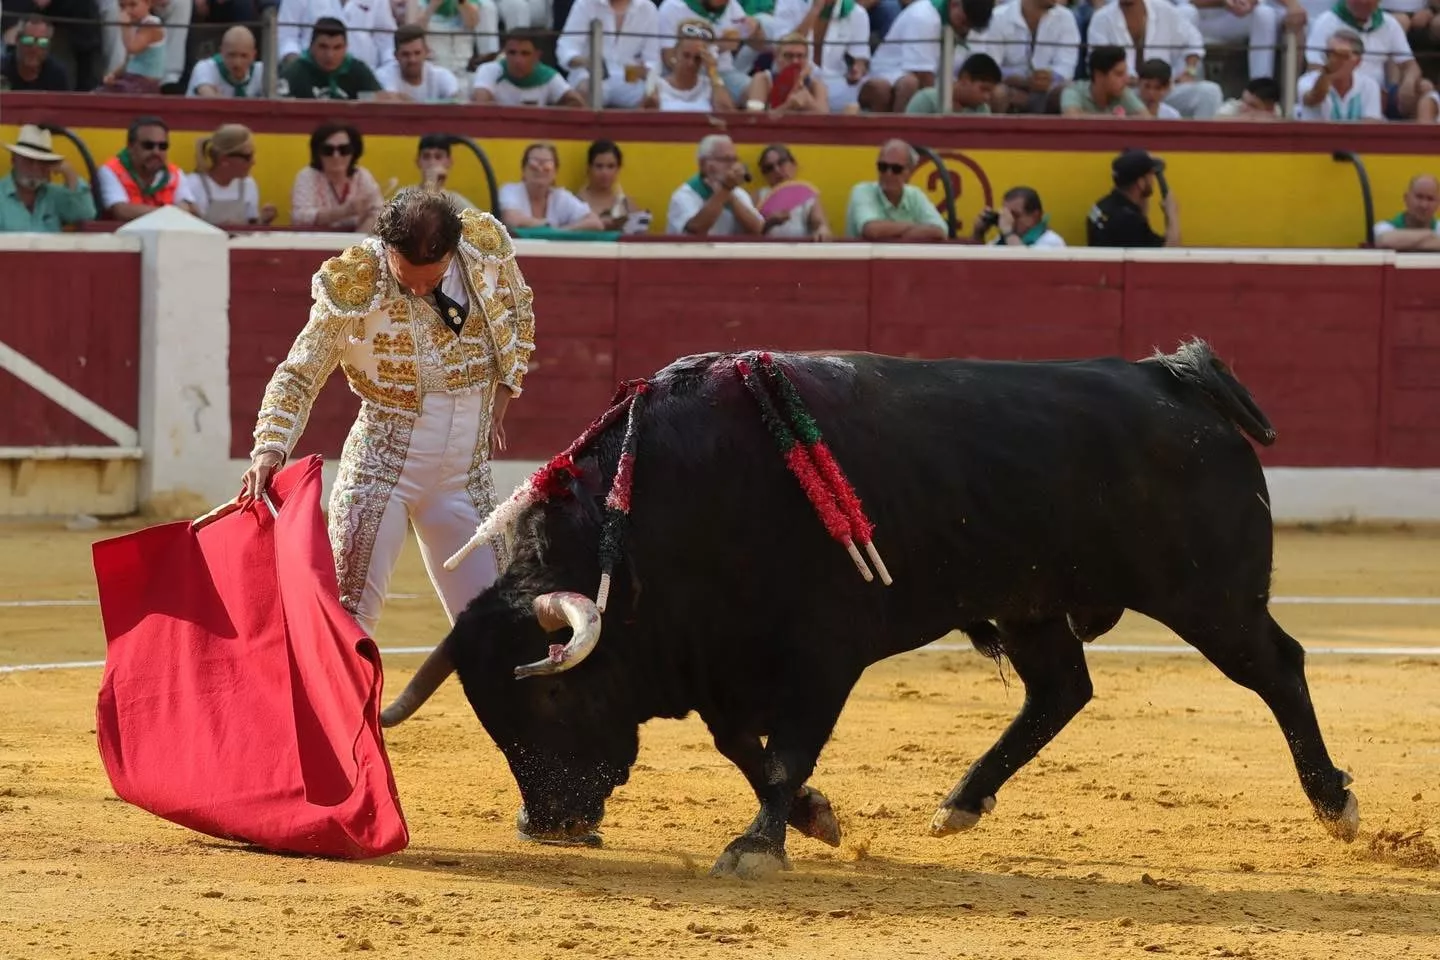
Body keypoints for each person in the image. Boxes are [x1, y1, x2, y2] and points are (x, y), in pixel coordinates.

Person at [242, 191, 537, 633]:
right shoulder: (356, 282)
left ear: (452, 253)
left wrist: (505, 389)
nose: (418, 290)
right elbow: (300, 373)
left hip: (466, 476)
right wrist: (270, 447)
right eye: (407, 279)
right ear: (387, 249)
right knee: (349, 619)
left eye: (430, 279)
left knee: (500, 626)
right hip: (381, 472)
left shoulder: (483, 249)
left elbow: (519, 315)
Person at [0, 124, 97, 232]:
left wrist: (70, 174)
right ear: (13, 160)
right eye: (28, 160)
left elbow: (86, 214)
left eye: (42, 162)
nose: (35, 168)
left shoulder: (54, 195)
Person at [290, 123, 385, 233]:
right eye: (328, 150)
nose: (336, 156)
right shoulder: (307, 176)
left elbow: (380, 212)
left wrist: (360, 239)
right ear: (318, 153)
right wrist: (343, 212)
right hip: (314, 244)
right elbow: (300, 217)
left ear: (354, 152)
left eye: (344, 149)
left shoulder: (362, 176)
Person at [498, 143, 605, 232]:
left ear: (555, 172)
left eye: (547, 165)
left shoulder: (561, 197)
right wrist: (548, 226)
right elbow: (511, 219)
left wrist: (562, 231)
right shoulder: (510, 191)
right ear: (523, 169)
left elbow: (595, 223)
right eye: (533, 164)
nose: (540, 169)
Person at [1086, 148, 1180, 248]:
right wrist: (1172, 214)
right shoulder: (1130, 222)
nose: (1153, 180)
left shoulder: (1101, 206)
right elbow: (1169, 253)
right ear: (1140, 183)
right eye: (1151, 175)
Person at [191, 124, 276, 227]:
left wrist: (263, 221)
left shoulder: (248, 184)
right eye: (247, 156)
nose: (253, 162)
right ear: (224, 159)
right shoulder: (194, 186)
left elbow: (252, 229)